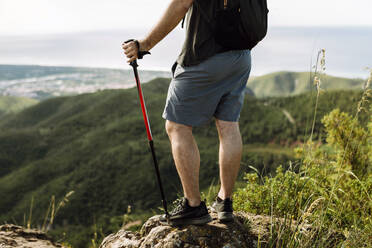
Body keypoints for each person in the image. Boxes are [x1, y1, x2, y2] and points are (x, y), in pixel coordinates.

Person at [122, 0, 251, 225]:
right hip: (240, 57)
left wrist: (145, 44)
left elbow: (182, 3)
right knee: (228, 124)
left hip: (204, 55)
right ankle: (225, 201)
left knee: (177, 126)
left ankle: (193, 206)